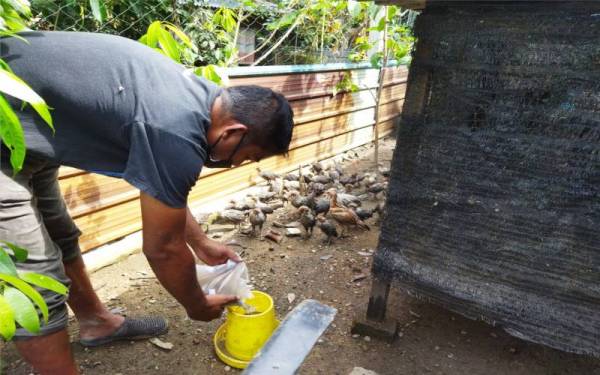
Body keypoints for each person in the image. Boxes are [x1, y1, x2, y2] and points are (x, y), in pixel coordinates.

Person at [0, 31, 294, 374]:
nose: (234, 165)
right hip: (6, 131)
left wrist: (200, 242)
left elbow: (162, 190)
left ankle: (97, 322)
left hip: (25, 135)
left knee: (60, 234)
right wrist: (195, 304)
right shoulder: (176, 130)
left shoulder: (195, 97)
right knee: (34, 278)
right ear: (233, 132)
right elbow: (162, 248)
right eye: (246, 156)